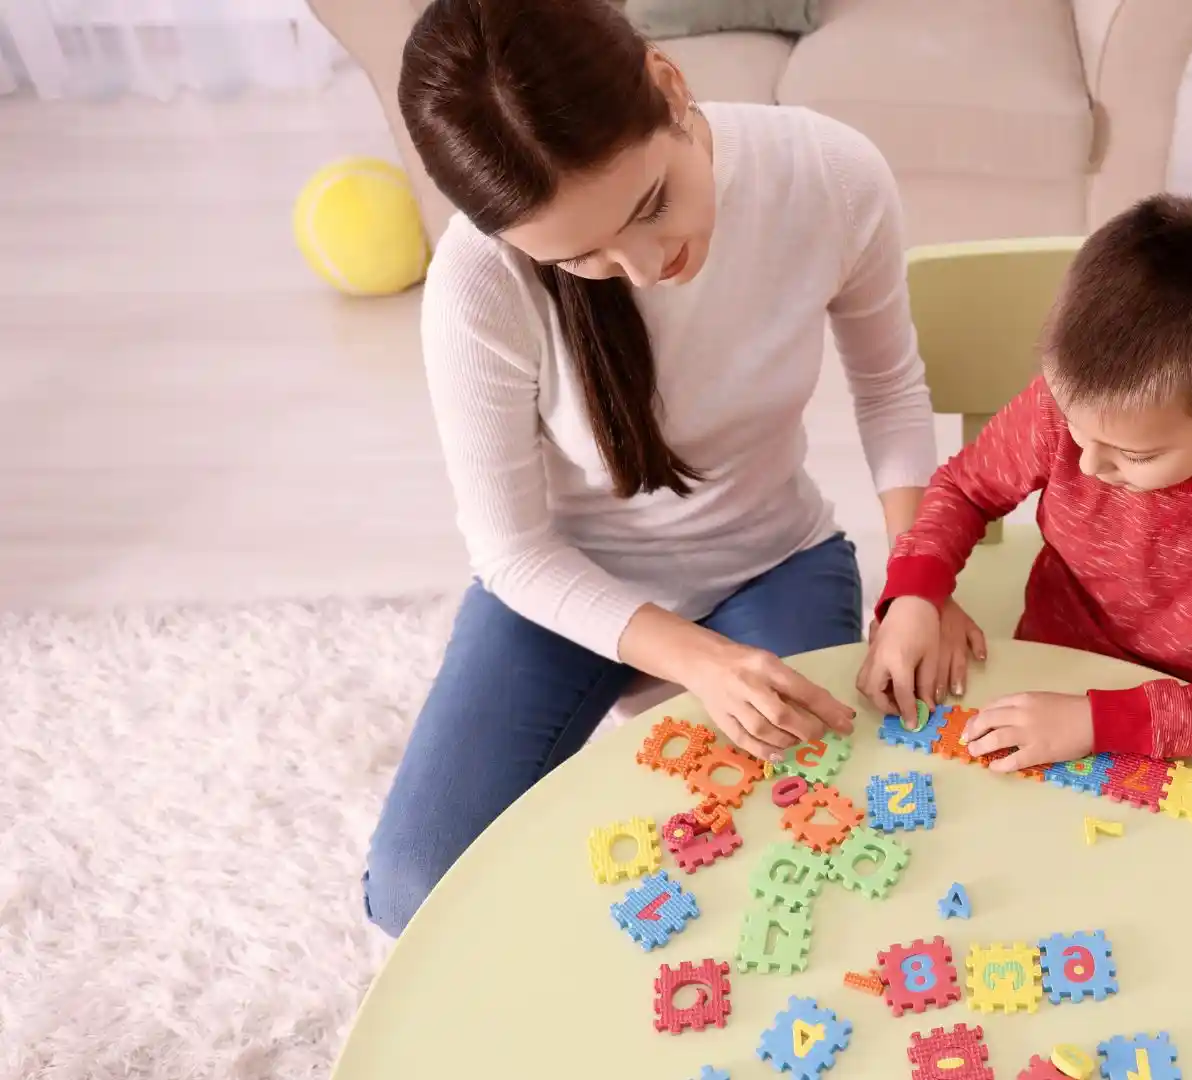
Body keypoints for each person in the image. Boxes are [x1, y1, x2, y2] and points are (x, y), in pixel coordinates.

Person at [363, 0, 980, 936]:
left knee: (812, 854)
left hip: (772, 555)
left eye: (650, 206)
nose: (646, 266)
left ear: (670, 84)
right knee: (416, 888)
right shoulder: (478, 282)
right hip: (572, 591)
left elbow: (891, 393)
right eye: (584, 258)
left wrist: (916, 581)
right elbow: (513, 553)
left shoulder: (828, 173)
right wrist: (700, 662)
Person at [858, 194, 1192, 771]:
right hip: (1052, 654)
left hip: (1190, 709)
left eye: (1133, 455)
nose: (1087, 465)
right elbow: (967, 490)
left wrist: (1100, 722)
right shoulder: (1072, 402)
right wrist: (916, 593)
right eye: (1074, 429)